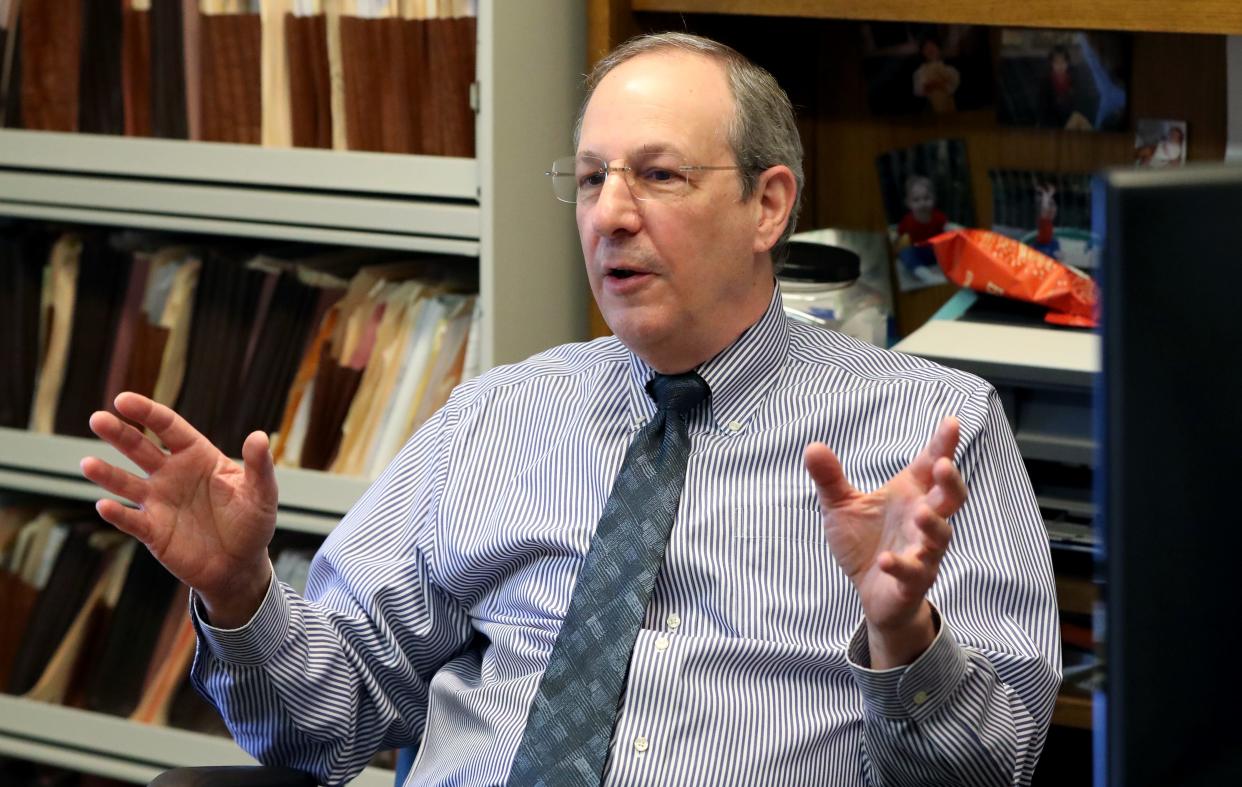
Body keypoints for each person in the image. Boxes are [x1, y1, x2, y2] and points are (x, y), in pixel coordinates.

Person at [81, 32, 1060, 787]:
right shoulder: (499, 416)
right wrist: (240, 594)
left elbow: (990, 769)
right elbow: (323, 733)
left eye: (658, 174)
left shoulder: (932, 430)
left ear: (769, 206)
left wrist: (906, 636)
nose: (610, 213)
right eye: (592, 179)